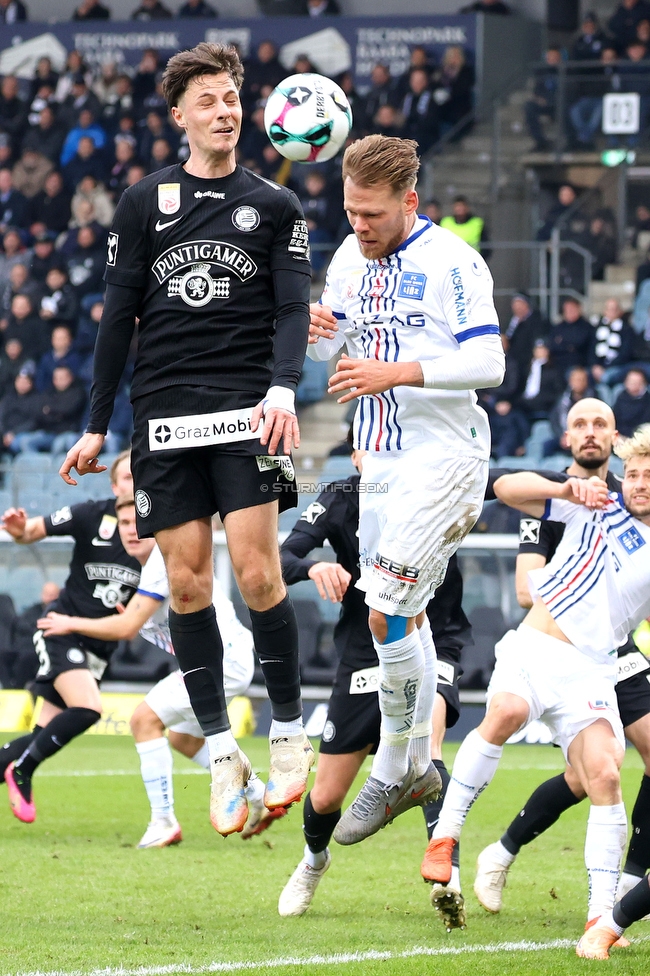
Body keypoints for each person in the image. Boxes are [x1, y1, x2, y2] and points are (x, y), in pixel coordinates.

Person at [60, 43, 313, 838]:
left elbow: (292, 310)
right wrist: (97, 423)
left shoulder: (275, 205)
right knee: (188, 586)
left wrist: (284, 386)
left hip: (248, 411)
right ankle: (222, 750)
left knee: (259, 573)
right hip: (164, 417)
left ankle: (289, 732)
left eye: (231, 97)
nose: (224, 110)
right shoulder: (143, 202)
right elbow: (116, 319)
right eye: (208, 100)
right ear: (180, 116)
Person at [306, 133, 504, 848]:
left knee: (386, 605)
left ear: (410, 202)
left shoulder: (454, 261)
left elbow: (490, 362)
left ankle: (394, 768)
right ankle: (418, 765)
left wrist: (397, 373)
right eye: (351, 212)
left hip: (446, 456)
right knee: (398, 617)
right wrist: (317, 330)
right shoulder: (346, 258)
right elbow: (328, 346)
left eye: (374, 215)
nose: (360, 226)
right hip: (381, 462)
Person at [422, 424, 650, 936]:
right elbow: (505, 489)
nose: (638, 483)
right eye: (633, 474)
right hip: (534, 647)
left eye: (649, 476)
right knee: (506, 711)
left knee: (605, 775)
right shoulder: (598, 505)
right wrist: (564, 489)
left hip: (592, 670)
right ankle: (445, 838)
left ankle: (600, 917)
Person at [277, 442, 471, 920]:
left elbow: (502, 480)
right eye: (371, 448)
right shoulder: (343, 495)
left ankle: (447, 875)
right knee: (326, 795)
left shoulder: (436, 479)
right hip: (366, 649)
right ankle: (313, 861)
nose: (381, 457)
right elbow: (283, 557)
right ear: (357, 455)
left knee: (428, 750)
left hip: (435, 634)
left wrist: (563, 488)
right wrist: (314, 566)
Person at [37, 491, 279, 848]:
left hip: (222, 660)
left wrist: (69, 623)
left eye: (137, 521)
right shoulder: (146, 569)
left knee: (143, 721)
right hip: (227, 657)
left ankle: (163, 821)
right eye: (123, 523)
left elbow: (126, 628)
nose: (131, 530)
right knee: (182, 738)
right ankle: (258, 794)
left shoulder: (161, 562)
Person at [0, 452, 142, 822]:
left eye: (139, 474)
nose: (133, 483)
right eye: (126, 477)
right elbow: (30, 532)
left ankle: (14, 764)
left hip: (99, 646)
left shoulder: (159, 530)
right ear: (114, 486)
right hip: (61, 629)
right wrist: (18, 529)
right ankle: (22, 772)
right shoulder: (91, 515)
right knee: (88, 708)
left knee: (41, 736)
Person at [614, 368, 650, 436]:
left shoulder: (647, 400)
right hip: (621, 437)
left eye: (636, 382)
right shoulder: (621, 397)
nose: (633, 384)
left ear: (643, 383)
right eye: (630, 381)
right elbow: (616, 420)